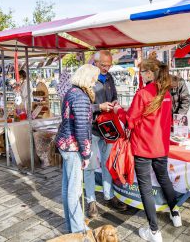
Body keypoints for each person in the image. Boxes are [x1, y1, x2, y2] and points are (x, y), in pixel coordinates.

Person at [115, 59, 182, 242]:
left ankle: (154, 231)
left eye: (143, 72)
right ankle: (175, 214)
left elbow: (130, 121)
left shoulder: (144, 93)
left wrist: (119, 109)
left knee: (145, 187)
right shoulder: (165, 92)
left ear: (150, 73)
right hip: (161, 146)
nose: (141, 75)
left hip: (143, 147)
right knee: (164, 179)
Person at [55, 64, 100, 233]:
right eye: (93, 80)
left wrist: (96, 108)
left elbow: (78, 114)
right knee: (74, 192)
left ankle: (72, 225)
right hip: (73, 147)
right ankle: (77, 229)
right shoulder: (81, 96)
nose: (94, 83)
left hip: (66, 145)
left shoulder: (72, 92)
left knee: (68, 188)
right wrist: (86, 154)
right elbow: (81, 128)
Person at [84, 50, 127, 218]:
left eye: (109, 65)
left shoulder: (109, 77)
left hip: (108, 128)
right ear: (95, 62)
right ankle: (91, 201)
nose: (106, 68)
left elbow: (114, 95)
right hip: (93, 129)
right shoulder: (87, 79)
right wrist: (99, 107)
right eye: (103, 65)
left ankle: (109, 196)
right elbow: (82, 106)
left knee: (107, 164)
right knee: (90, 166)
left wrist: (115, 102)